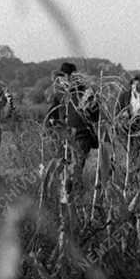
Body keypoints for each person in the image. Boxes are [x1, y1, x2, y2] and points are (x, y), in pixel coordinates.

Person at [46, 62, 100, 192]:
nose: (68, 78)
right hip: (64, 137)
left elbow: (95, 115)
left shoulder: (85, 92)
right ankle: (65, 200)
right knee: (63, 169)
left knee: (76, 169)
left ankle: (76, 199)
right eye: (65, 75)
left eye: (70, 75)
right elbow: (51, 113)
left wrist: (90, 109)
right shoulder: (59, 93)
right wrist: (51, 124)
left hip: (82, 135)